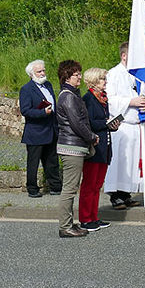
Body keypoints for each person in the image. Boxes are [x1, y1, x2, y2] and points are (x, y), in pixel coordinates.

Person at [104, 42, 145, 209]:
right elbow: (110, 100)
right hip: (124, 125)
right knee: (121, 161)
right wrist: (130, 101)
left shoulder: (141, 75)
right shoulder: (114, 74)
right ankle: (116, 195)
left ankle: (127, 192)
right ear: (124, 56)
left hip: (140, 124)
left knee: (136, 162)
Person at [55, 60, 96, 238]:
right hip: (71, 147)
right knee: (69, 188)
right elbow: (77, 123)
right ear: (66, 76)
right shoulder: (68, 96)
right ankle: (65, 226)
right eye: (76, 74)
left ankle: (69, 223)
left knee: (71, 187)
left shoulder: (70, 94)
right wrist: (92, 137)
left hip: (73, 146)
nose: (80, 77)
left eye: (79, 73)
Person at [79, 67, 116, 232]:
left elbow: (101, 121)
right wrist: (106, 123)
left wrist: (112, 125)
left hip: (105, 146)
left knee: (97, 184)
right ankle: (86, 219)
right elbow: (89, 123)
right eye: (102, 79)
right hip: (94, 146)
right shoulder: (88, 99)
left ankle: (94, 216)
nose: (105, 82)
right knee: (89, 184)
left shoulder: (103, 98)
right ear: (94, 81)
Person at [18, 59, 60, 198]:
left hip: (51, 129)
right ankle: (32, 188)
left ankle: (55, 186)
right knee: (33, 162)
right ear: (32, 74)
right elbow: (25, 110)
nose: (42, 73)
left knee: (52, 160)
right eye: (39, 71)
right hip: (36, 132)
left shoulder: (48, 85)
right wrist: (42, 113)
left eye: (43, 70)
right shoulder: (26, 89)